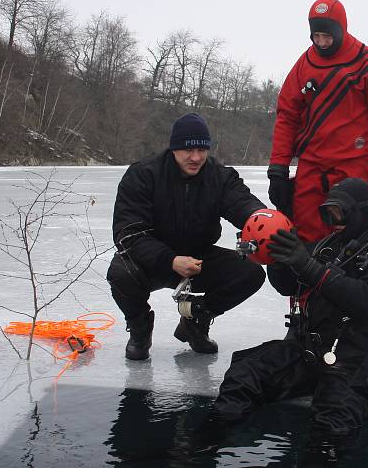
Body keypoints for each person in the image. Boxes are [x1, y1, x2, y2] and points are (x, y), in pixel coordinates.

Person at [207, 178, 368, 437]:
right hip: (312, 347)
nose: (335, 221)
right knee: (245, 374)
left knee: (336, 414)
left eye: (340, 213)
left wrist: (307, 266)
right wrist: (279, 260)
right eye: (329, 214)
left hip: (361, 355)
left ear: (362, 211)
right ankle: (207, 440)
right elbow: (288, 286)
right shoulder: (332, 245)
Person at [107, 112, 267, 360]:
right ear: (173, 148)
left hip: (199, 259)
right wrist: (170, 260)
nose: (196, 158)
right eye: (187, 150)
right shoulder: (143, 174)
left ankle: (196, 320)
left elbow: (243, 205)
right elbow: (129, 234)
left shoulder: (219, 176)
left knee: (251, 273)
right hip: (153, 259)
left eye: (202, 150)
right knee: (121, 272)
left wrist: (263, 220)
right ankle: (140, 328)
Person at [267, 0, 368, 242]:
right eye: (316, 36)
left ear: (342, 30)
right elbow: (287, 116)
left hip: (356, 169)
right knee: (306, 242)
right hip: (312, 169)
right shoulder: (304, 64)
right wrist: (278, 169)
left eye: (327, 36)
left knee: (359, 243)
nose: (321, 42)